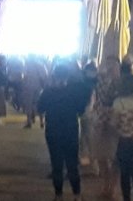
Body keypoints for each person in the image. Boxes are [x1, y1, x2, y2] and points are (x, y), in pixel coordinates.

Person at [38, 64, 87, 201]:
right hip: (70, 131)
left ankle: (58, 195)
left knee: (56, 164)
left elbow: (40, 108)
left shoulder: (48, 92)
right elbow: (81, 110)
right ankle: (77, 194)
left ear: (54, 76)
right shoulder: (73, 91)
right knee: (72, 164)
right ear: (67, 77)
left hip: (53, 131)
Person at [92, 55, 121, 199]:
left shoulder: (122, 81)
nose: (110, 67)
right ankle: (106, 183)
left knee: (116, 156)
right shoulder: (100, 79)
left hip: (116, 121)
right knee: (101, 155)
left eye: (113, 65)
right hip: (101, 119)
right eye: (108, 64)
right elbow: (100, 98)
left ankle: (112, 187)